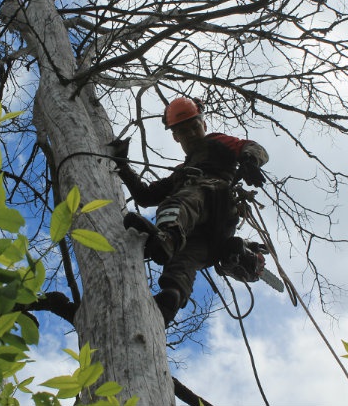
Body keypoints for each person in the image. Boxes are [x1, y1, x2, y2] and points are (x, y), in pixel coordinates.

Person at [109, 97, 269, 325]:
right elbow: (145, 196)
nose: (192, 133)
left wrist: (250, 161)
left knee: (183, 200)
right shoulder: (181, 173)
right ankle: (169, 302)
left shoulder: (215, 143)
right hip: (205, 240)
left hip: (219, 204)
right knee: (182, 261)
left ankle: (167, 237)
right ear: (175, 136)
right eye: (184, 131)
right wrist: (122, 165)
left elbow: (252, 147)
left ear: (203, 125)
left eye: (195, 127)